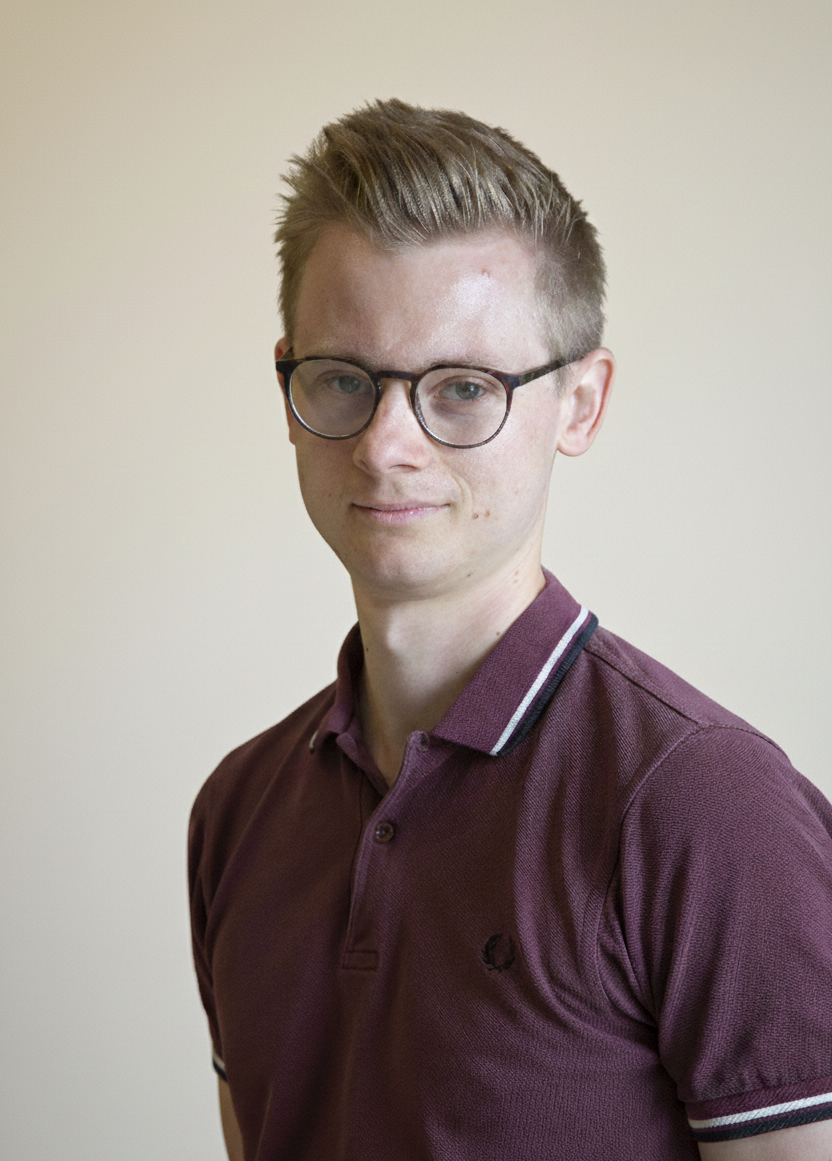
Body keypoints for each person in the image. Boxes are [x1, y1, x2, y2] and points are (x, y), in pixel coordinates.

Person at [188, 99, 832, 1161]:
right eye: (344, 379)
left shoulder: (705, 808)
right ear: (288, 376)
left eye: (462, 389)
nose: (387, 445)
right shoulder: (236, 810)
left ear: (579, 404)